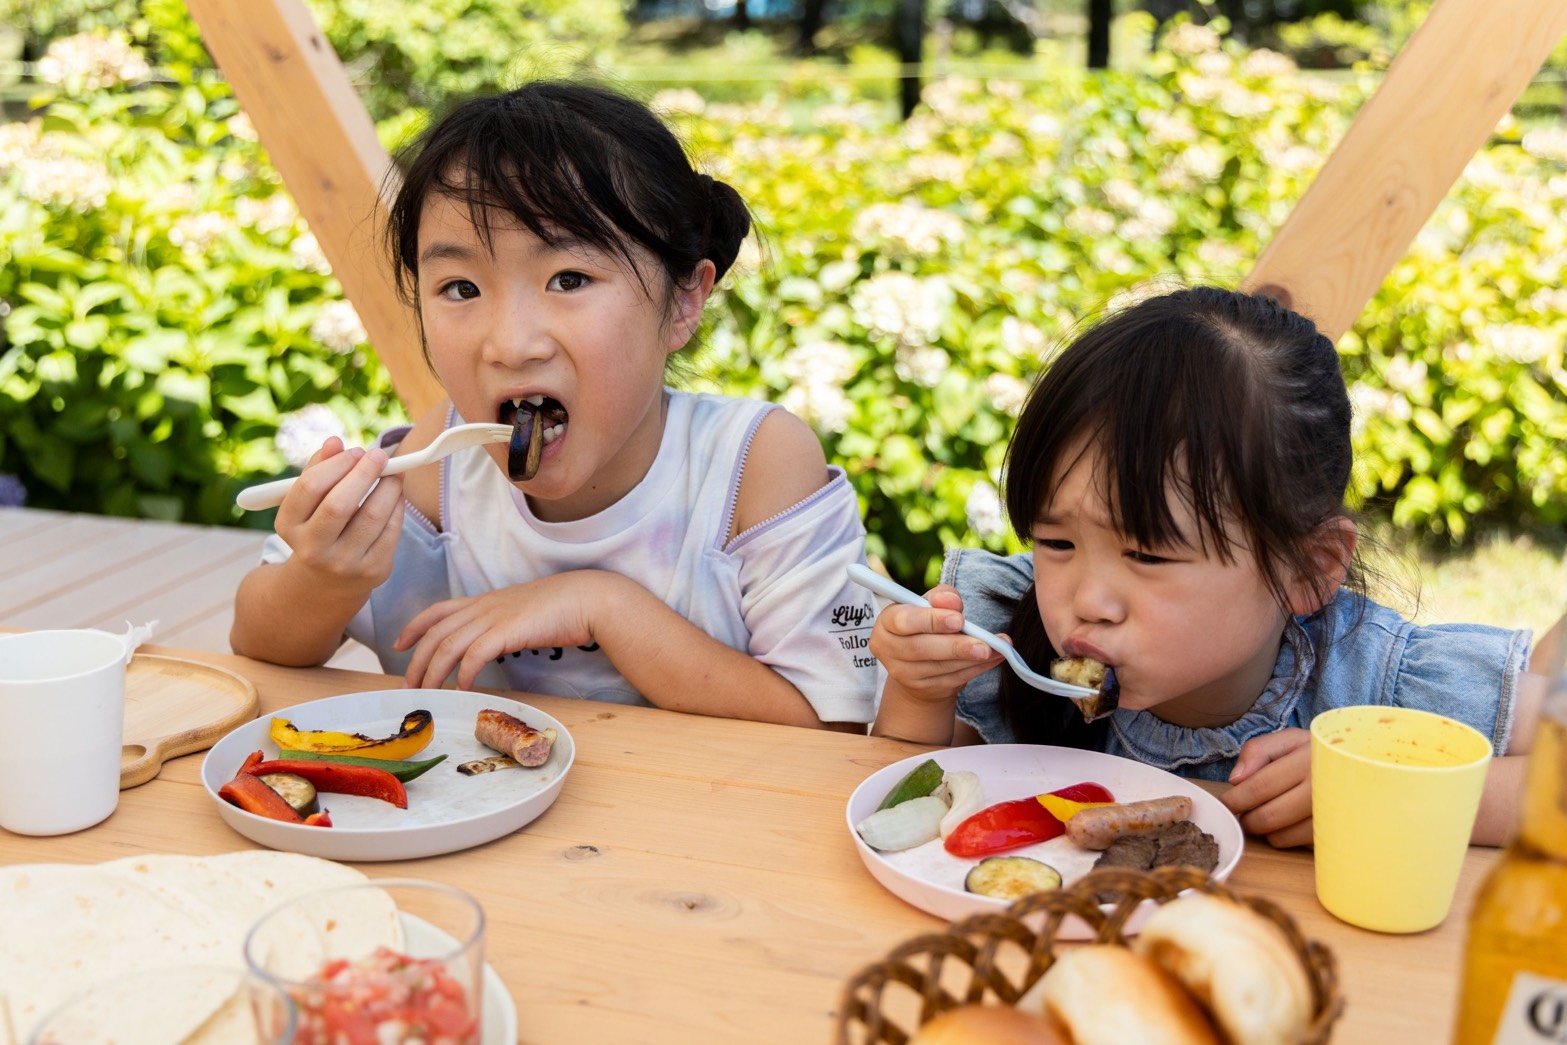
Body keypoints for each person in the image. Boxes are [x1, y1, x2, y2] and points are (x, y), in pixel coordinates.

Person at [231, 82, 877, 730]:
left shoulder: (750, 468)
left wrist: (603, 606)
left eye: (568, 279)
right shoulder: (436, 473)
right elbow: (262, 647)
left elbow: (833, 724)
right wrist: (323, 577)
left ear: (683, 300)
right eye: (460, 287)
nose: (510, 345)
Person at [868, 287, 1550, 845]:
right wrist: (920, 692)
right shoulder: (1010, 641)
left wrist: (1395, 788)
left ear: (1306, 570)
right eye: (1055, 542)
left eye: (1148, 553)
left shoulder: (1379, 680)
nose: (1088, 600)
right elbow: (905, 824)